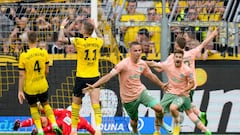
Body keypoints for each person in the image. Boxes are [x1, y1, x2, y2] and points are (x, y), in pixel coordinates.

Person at [83, 41, 167, 135]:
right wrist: (94, 85)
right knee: (134, 121)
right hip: (128, 98)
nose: (138, 52)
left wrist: (162, 85)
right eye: (135, 50)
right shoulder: (123, 64)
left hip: (141, 92)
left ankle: (158, 129)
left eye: (140, 50)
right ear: (130, 51)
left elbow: (151, 76)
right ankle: (135, 131)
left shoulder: (142, 63)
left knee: (159, 109)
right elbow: (109, 76)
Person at [147, 49, 212, 135]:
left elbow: (192, 84)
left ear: (182, 59)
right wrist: (142, 62)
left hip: (183, 95)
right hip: (170, 93)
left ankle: (178, 124)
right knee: (158, 110)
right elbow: (154, 64)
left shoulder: (187, 70)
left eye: (180, 57)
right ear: (173, 58)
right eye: (176, 57)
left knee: (175, 109)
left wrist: (184, 90)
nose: (178, 59)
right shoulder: (168, 65)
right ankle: (157, 131)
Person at [58, 18, 103, 135]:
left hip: (81, 77)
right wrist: (96, 27)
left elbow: (60, 39)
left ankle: (73, 130)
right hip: (94, 76)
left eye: (81, 28)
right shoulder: (98, 42)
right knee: (96, 104)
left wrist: (62, 27)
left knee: (76, 104)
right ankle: (98, 129)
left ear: (83, 31)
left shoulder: (79, 41)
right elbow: (103, 38)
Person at [17, 31, 62, 135]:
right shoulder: (44, 52)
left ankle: (40, 130)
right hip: (42, 84)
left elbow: (21, 75)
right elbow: (47, 71)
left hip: (30, 87)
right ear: (37, 40)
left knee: (33, 107)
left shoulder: (24, 55)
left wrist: (20, 91)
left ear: (27, 41)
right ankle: (54, 124)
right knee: (45, 104)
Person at [13, 108, 95, 135]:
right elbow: (51, 112)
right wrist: (41, 108)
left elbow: (92, 130)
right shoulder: (65, 112)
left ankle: (39, 131)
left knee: (61, 126)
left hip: (61, 132)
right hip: (51, 129)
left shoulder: (83, 121)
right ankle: (20, 125)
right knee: (43, 119)